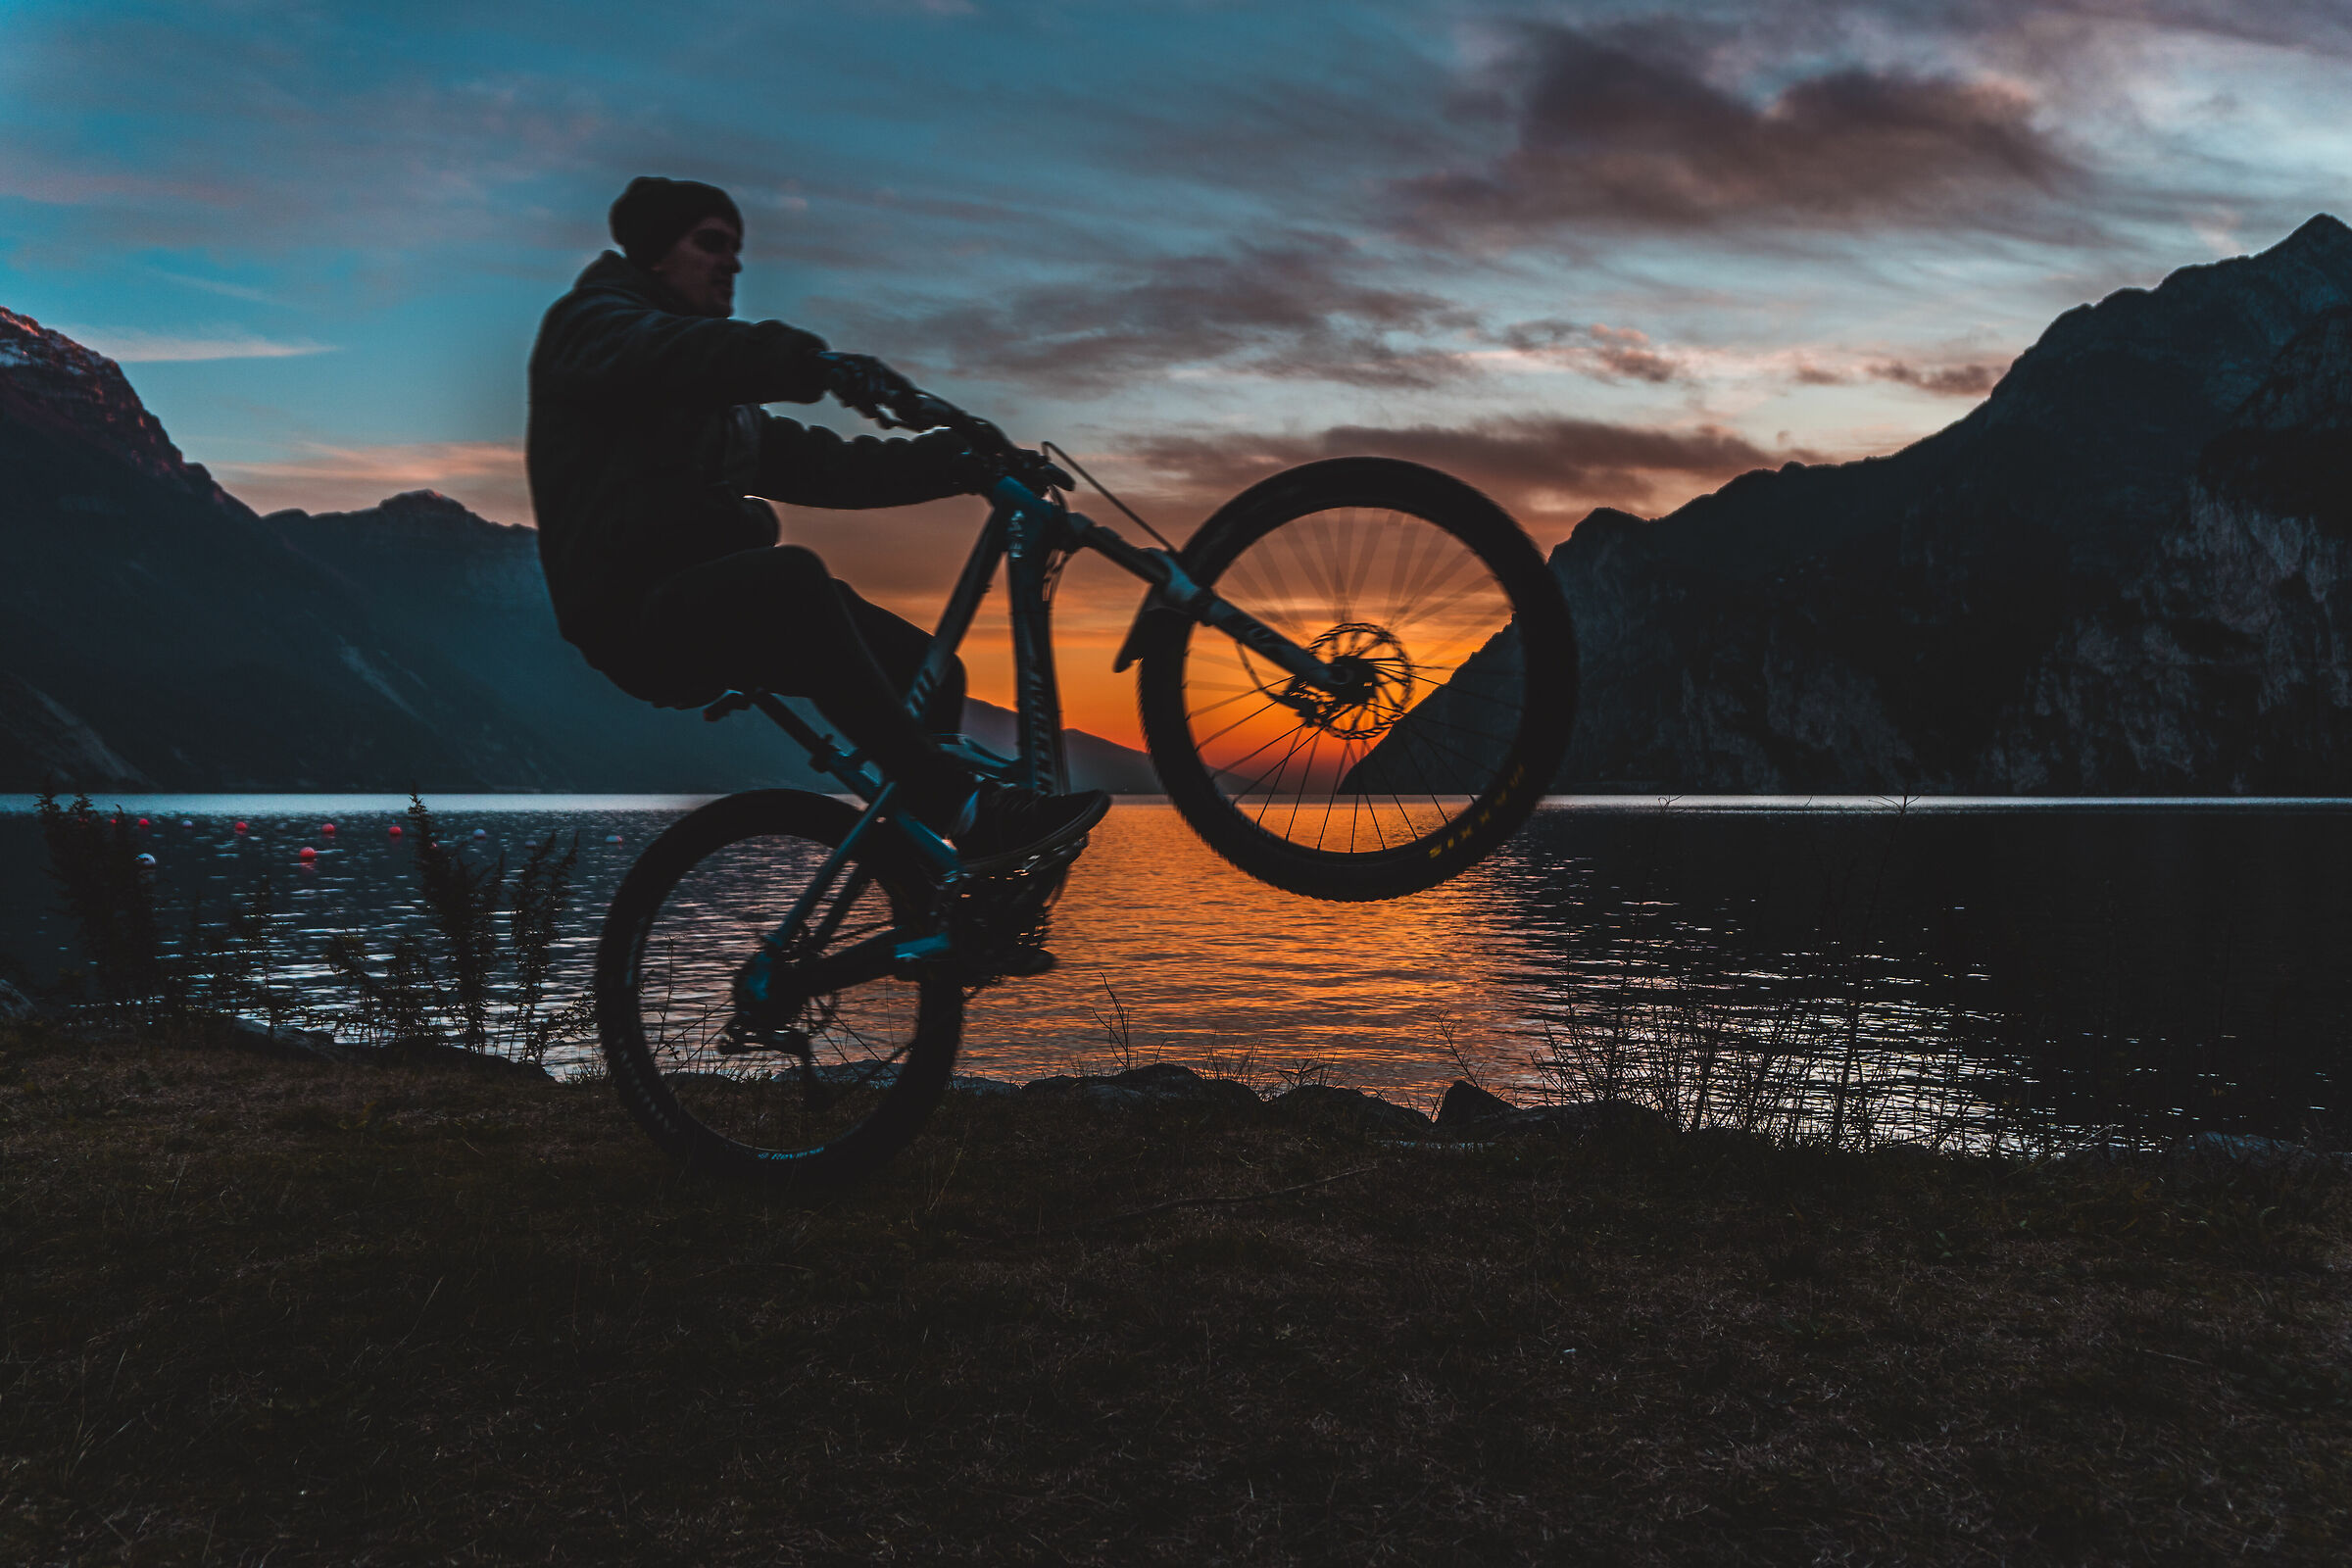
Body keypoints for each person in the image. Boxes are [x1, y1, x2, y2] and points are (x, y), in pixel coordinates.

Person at [527, 175, 1107, 869]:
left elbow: (826, 466)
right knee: (791, 579)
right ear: (654, 254)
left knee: (931, 674)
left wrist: (960, 462)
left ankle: (938, 888)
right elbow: (678, 351)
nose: (732, 263)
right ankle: (962, 809)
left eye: (736, 249)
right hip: (636, 614)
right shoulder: (594, 328)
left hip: (715, 595)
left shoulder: (713, 409)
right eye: (711, 244)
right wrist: (812, 364)